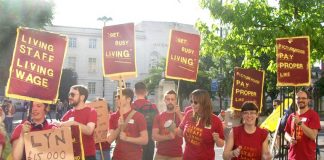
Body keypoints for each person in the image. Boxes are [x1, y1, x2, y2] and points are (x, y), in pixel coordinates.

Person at [178, 89, 224, 160]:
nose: (192, 104)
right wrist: (170, 127)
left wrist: (217, 139)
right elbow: (180, 132)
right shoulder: (189, 114)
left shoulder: (216, 120)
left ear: (204, 103)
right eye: (191, 101)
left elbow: (221, 144)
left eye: (195, 102)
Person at [107, 88, 148, 160]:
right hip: (117, 156)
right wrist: (119, 128)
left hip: (134, 157)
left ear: (128, 99)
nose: (117, 99)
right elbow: (109, 140)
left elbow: (145, 140)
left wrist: (127, 138)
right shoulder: (113, 116)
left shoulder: (139, 116)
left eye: (119, 97)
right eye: (116, 96)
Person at [59, 85, 98, 160]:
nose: (70, 97)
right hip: (71, 155)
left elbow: (89, 130)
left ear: (82, 97)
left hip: (87, 156)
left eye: (73, 94)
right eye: (69, 94)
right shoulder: (68, 113)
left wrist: (73, 123)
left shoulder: (91, 111)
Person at [284, 90, 321, 160]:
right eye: (298, 98)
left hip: (308, 157)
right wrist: (289, 139)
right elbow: (286, 133)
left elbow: (313, 136)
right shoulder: (292, 116)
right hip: (292, 156)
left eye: (303, 98)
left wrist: (300, 123)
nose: (300, 100)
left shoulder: (313, 115)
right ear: (295, 100)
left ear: (308, 100)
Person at [152, 90, 183, 160]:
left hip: (177, 155)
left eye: (172, 99)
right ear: (164, 100)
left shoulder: (181, 115)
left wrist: (179, 113)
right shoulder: (159, 116)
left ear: (176, 101)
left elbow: (186, 130)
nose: (170, 101)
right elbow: (154, 136)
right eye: (168, 99)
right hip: (161, 153)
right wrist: (168, 137)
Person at [132, 82, 159, 160]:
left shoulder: (131, 107)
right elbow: (158, 125)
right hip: (149, 141)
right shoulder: (153, 106)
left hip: (135, 141)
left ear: (134, 92)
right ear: (146, 92)